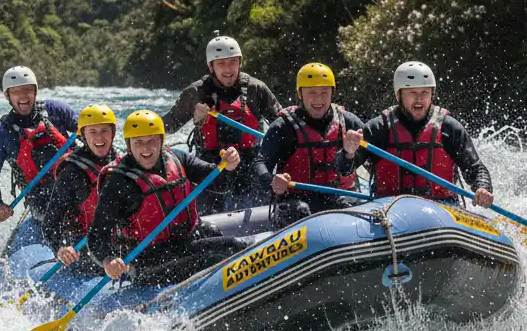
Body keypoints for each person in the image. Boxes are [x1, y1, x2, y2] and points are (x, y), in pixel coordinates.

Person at [88, 110, 248, 287]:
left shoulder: (178, 158)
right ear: (128, 146)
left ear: (161, 141)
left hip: (186, 239)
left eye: (152, 141)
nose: (146, 148)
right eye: (138, 142)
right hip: (150, 259)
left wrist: (229, 166)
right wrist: (107, 260)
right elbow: (96, 236)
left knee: (213, 232)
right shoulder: (117, 183)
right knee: (231, 246)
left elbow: (219, 183)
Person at [336, 61, 494, 206]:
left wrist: (482, 188)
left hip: (441, 208)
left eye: (425, 92)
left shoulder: (449, 128)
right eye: (412, 93)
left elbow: (475, 168)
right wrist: (348, 152)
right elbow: (344, 169)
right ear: (399, 95)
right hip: (390, 208)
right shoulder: (379, 128)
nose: (419, 99)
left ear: (432, 94)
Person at [161, 32, 283, 213]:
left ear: (240, 62)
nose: (228, 69)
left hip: (251, 159)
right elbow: (166, 126)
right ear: (211, 66)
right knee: (206, 206)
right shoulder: (196, 92)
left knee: (270, 191)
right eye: (221, 63)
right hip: (211, 161)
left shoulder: (255, 88)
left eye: (233, 62)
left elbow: (281, 122)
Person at [253, 62, 366, 228]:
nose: (318, 99)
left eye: (324, 92)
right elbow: (259, 162)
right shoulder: (283, 127)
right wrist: (272, 181)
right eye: (312, 92)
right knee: (300, 210)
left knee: (356, 207)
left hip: (335, 196)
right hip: (295, 201)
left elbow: (375, 152)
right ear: (300, 94)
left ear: (332, 93)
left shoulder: (348, 121)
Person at [0, 66, 79, 224]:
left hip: (76, 184)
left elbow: (90, 132)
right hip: (41, 199)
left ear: (35, 91)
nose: (23, 96)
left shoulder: (57, 111)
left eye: (27, 90)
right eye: (16, 92)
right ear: (7, 95)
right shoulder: (1, 134)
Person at [42, 104, 118, 268]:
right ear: (83, 135)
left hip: (117, 242)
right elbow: (50, 222)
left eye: (104, 131)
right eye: (93, 132)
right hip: (83, 248)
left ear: (113, 133)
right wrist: (60, 248)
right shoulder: (72, 172)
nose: (99, 138)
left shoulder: (122, 164)